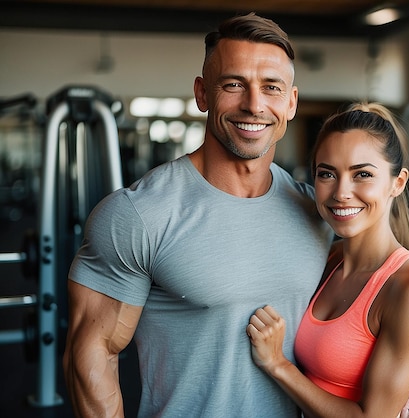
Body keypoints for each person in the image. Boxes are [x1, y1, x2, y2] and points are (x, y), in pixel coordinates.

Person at [62, 13, 335, 417]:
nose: (254, 105)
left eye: (271, 88)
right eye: (234, 84)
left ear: (290, 103)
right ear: (203, 94)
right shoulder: (140, 214)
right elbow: (92, 355)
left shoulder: (318, 211)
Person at [247, 102, 409, 418]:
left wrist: (278, 365)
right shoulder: (329, 260)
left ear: (398, 182)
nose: (341, 192)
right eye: (327, 174)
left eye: (362, 174)